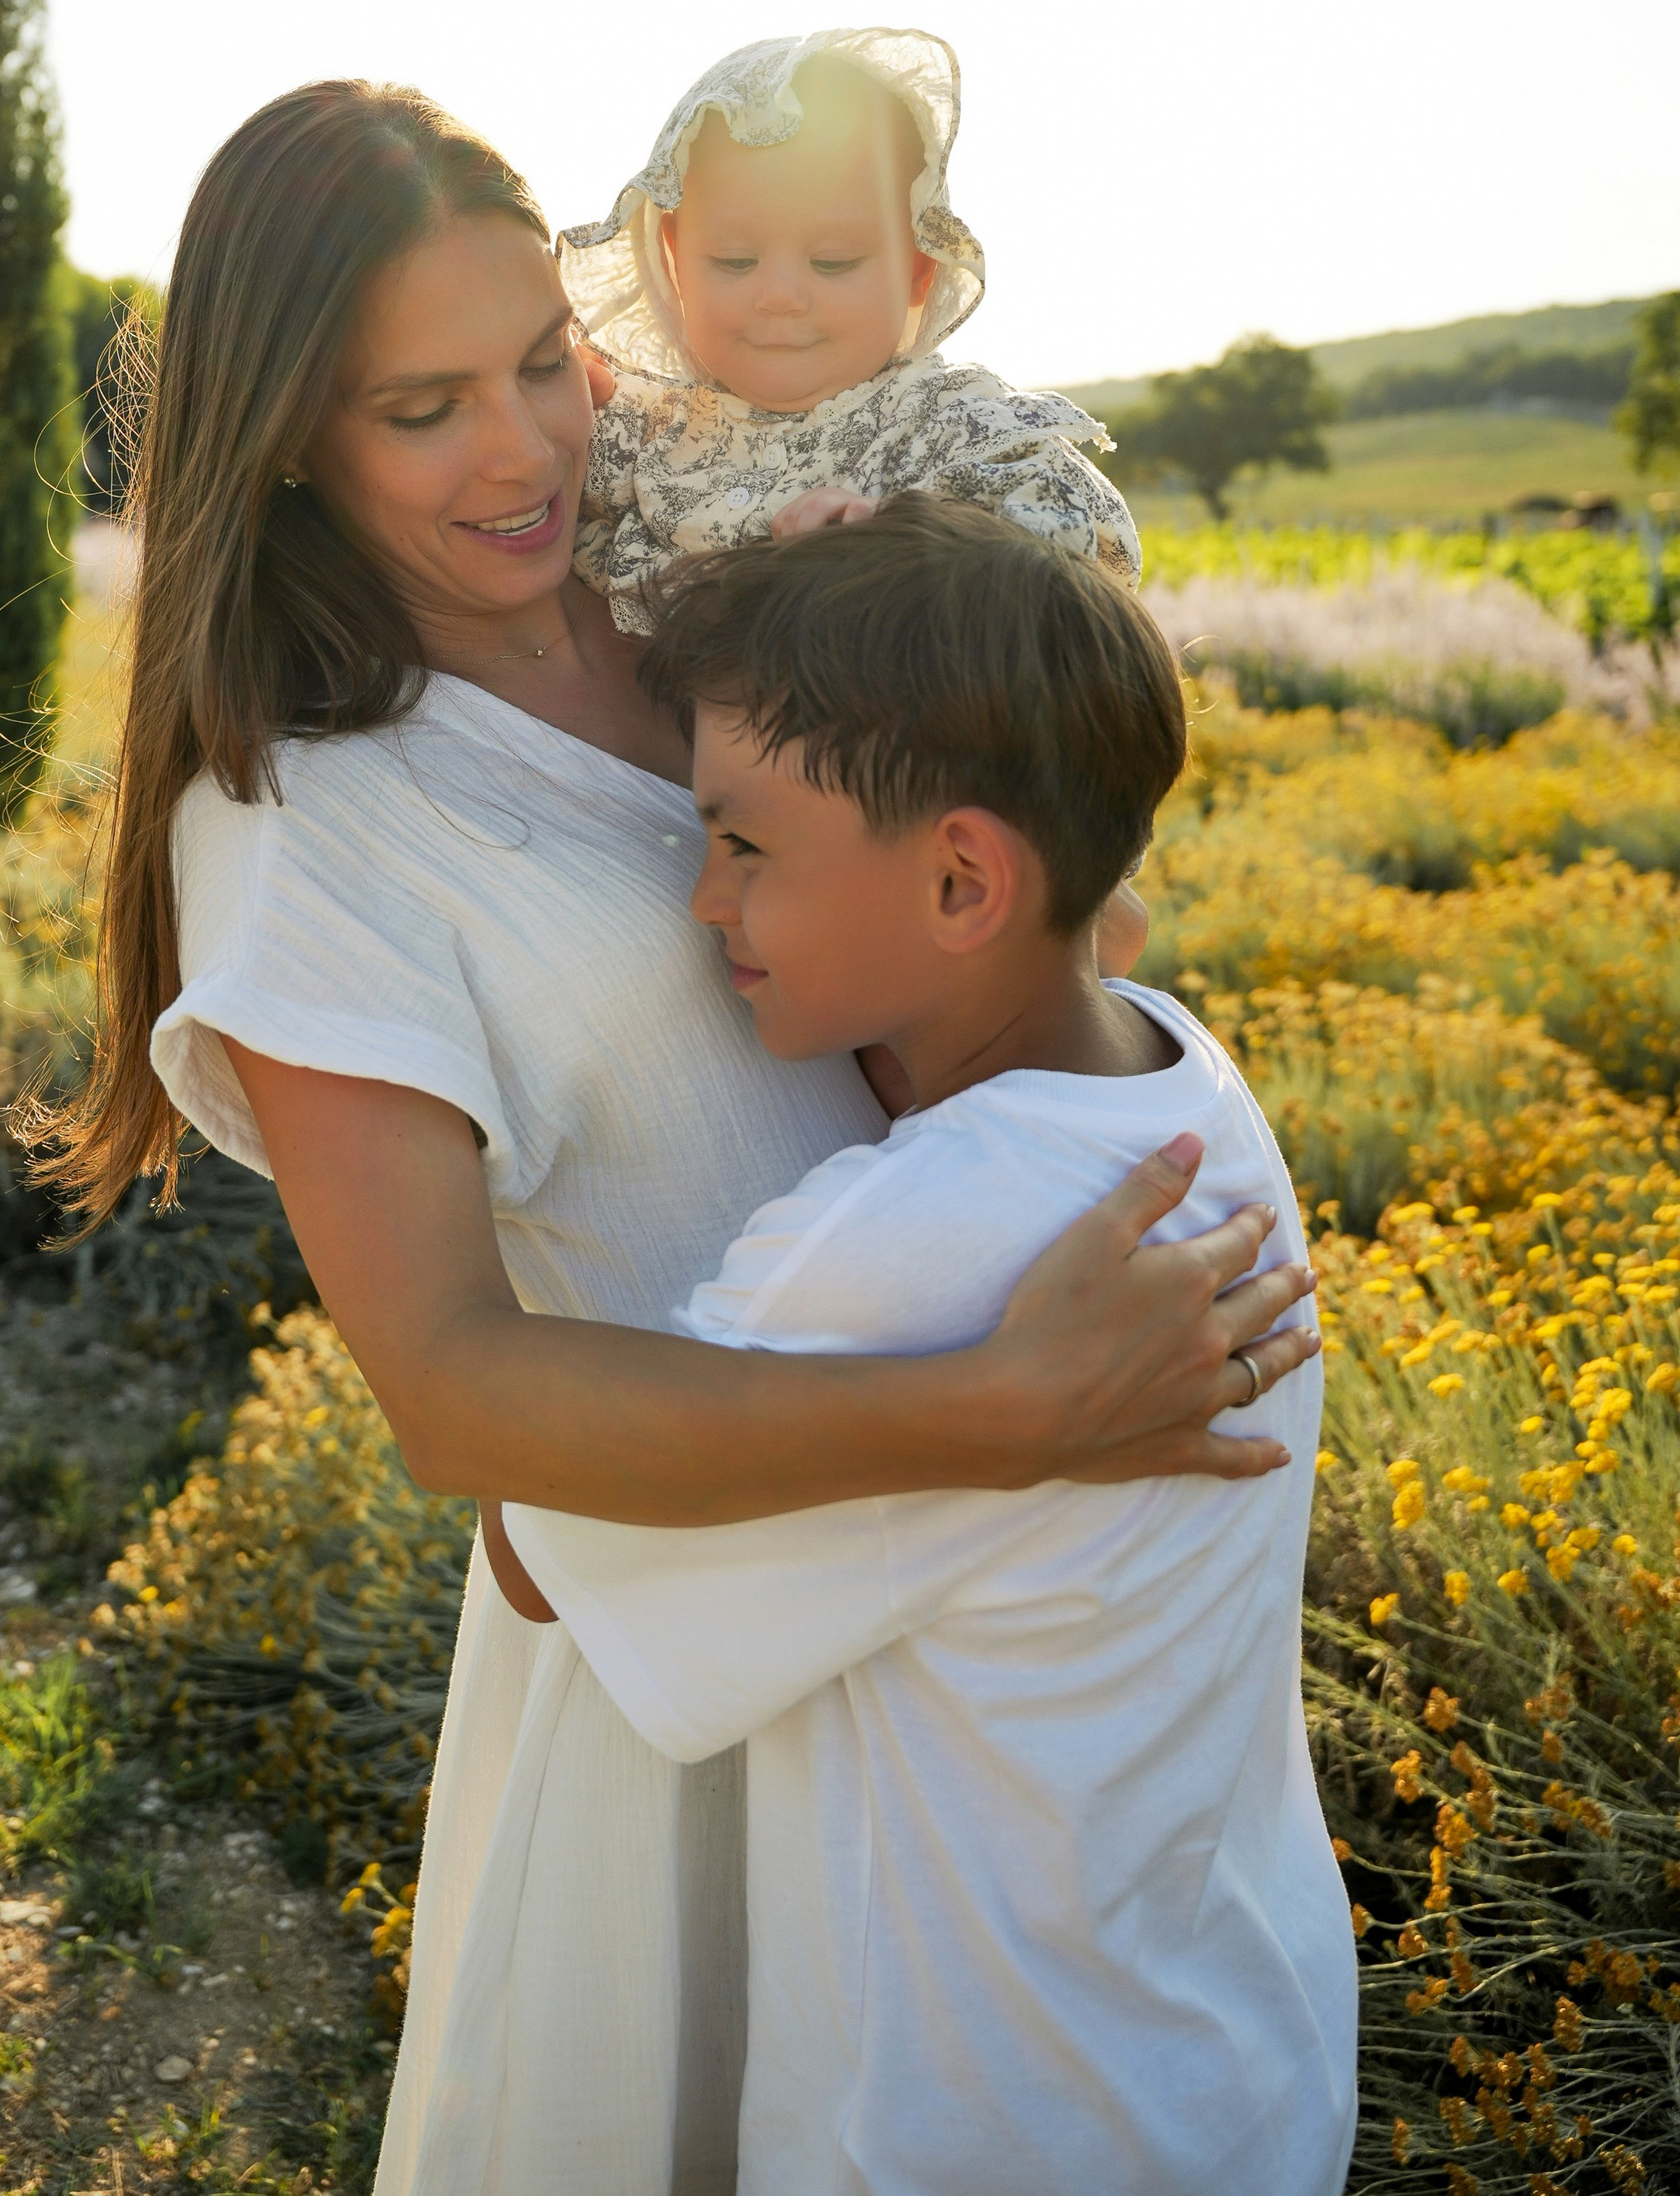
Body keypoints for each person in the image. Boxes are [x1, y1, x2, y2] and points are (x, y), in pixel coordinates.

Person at [50, 78, 1319, 2196]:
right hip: (679, 1625)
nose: (533, 446)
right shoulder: (301, 817)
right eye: (424, 406)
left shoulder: (715, 561)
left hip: (1002, 1605)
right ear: (285, 433)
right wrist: (988, 1405)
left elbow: (1039, 851)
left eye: (545, 359)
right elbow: (456, 1394)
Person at [506, 503, 1354, 2196]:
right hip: (1234, 2064)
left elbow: (538, 1552)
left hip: (972, 2129)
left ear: (962, 878)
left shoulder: (903, 1249)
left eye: (743, 842)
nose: (699, 897)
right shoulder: (1180, 1084)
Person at [556, 26, 1138, 634]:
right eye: (734, 260)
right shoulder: (647, 431)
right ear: (676, 261)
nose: (779, 296)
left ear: (919, 267)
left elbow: (1094, 545)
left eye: (833, 261)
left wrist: (906, 534)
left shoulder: (946, 422)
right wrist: (555, 398)